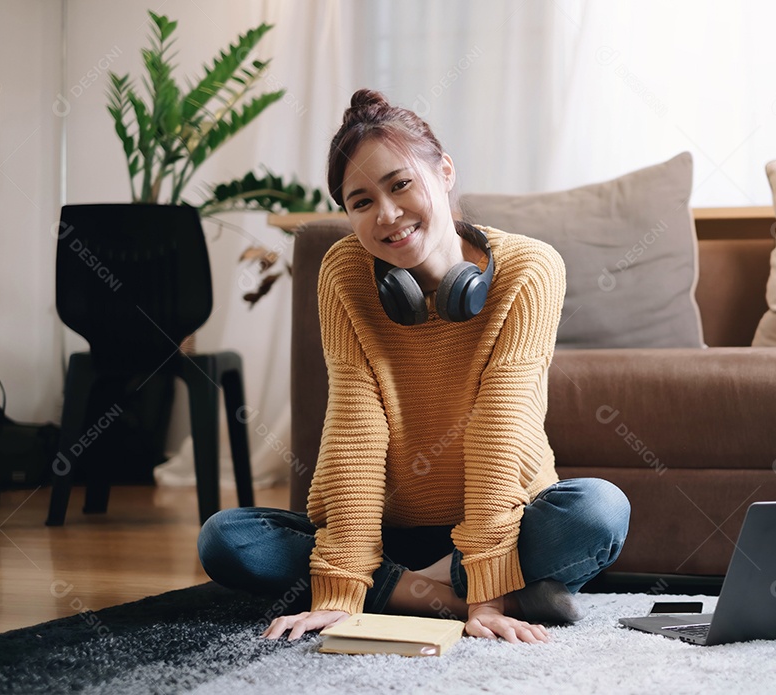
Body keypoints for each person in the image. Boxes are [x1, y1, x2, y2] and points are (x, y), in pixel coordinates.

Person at [197, 89, 631, 645]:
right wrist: (338, 595)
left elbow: (502, 427)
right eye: (361, 201)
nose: (388, 215)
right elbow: (354, 425)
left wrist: (487, 592)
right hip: (387, 533)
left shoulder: (530, 268)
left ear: (444, 171)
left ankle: (442, 590)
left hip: (504, 524)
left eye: (400, 184)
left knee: (597, 511)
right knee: (227, 539)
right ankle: (445, 596)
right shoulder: (344, 271)